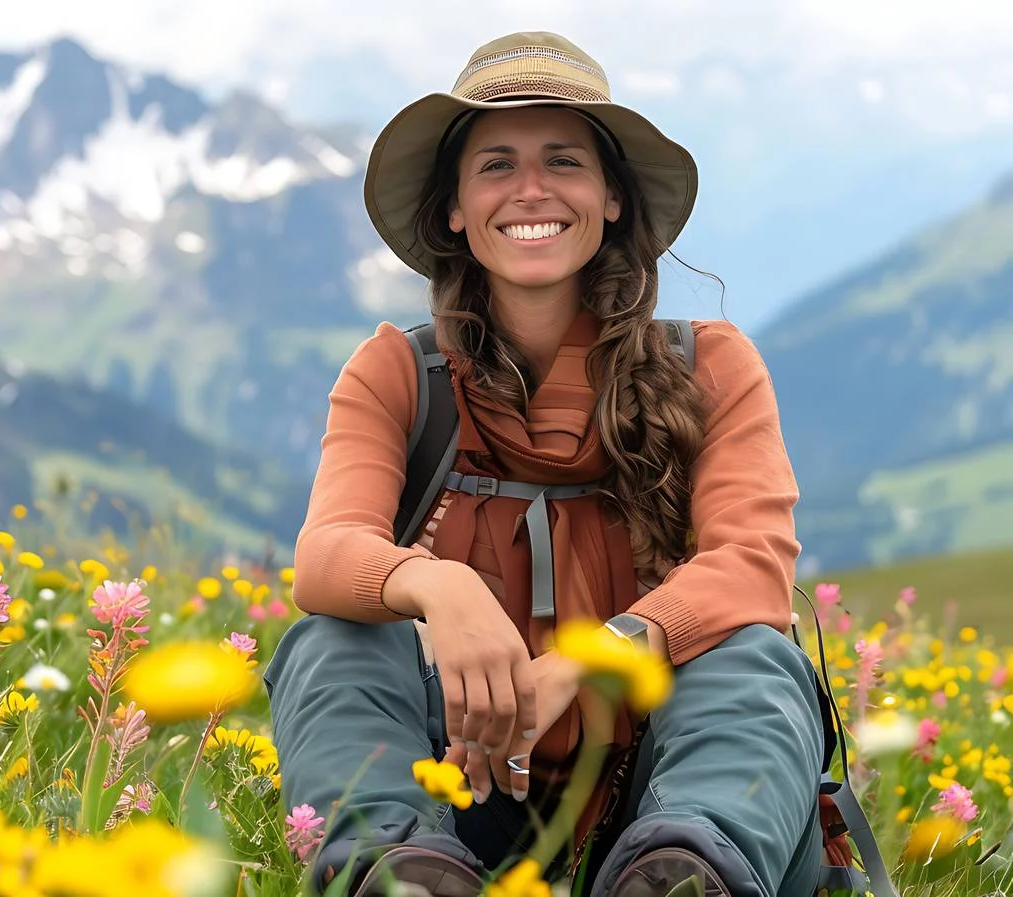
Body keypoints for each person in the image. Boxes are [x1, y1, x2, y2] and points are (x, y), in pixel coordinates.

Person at [263, 31, 828, 897]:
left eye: (563, 160)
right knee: (334, 640)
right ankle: (399, 870)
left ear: (609, 198)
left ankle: (687, 872)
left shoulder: (711, 365)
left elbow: (753, 563)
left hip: (656, 787)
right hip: (456, 787)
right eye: (495, 165)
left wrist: (601, 651)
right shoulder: (397, 373)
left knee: (753, 655)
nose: (530, 190)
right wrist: (437, 588)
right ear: (454, 207)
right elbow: (326, 553)